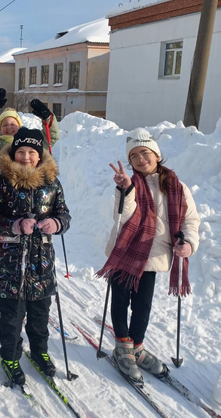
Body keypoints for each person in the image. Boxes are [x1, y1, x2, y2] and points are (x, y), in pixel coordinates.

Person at [97, 128, 200, 383]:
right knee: (121, 302)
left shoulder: (177, 187)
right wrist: (125, 190)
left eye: (145, 153)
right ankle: (123, 346)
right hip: (126, 253)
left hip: (153, 258)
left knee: (142, 307)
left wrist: (188, 243)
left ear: (156, 154)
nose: (141, 159)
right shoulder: (130, 184)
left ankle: (137, 347)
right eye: (134, 156)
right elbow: (121, 216)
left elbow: (190, 220)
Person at [0, 127, 71, 384]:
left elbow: (65, 214)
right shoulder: (1, 182)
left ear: (40, 155)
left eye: (32, 151)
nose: (27, 156)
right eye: (21, 151)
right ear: (13, 152)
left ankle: (40, 352)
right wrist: (14, 225)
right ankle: (10, 356)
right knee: (12, 315)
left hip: (41, 262)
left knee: (41, 314)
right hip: (10, 264)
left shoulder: (52, 182)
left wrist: (56, 223)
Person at [0, 88, 60, 177]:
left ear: (19, 126)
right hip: (2, 188)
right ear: (0, 129)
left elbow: (51, 137)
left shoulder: (31, 143)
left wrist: (48, 118)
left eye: (13, 124)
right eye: (5, 125)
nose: (9, 127)